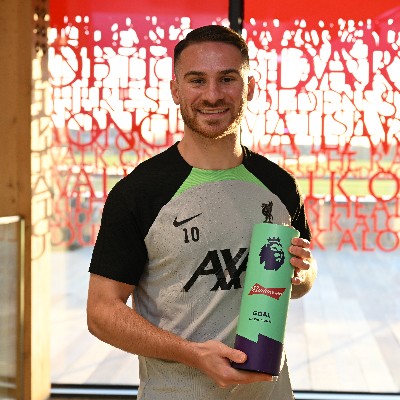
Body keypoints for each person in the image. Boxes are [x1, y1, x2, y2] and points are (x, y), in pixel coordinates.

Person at [87, 24, 317, 400]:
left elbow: (301, 280)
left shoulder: (279, 185)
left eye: (227, 79)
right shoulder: (140, 193)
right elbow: (101, 312)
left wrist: (303, 271)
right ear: (176, 89)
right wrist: (193, 354)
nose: (212, 95)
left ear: (250, 87)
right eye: (197, 80)